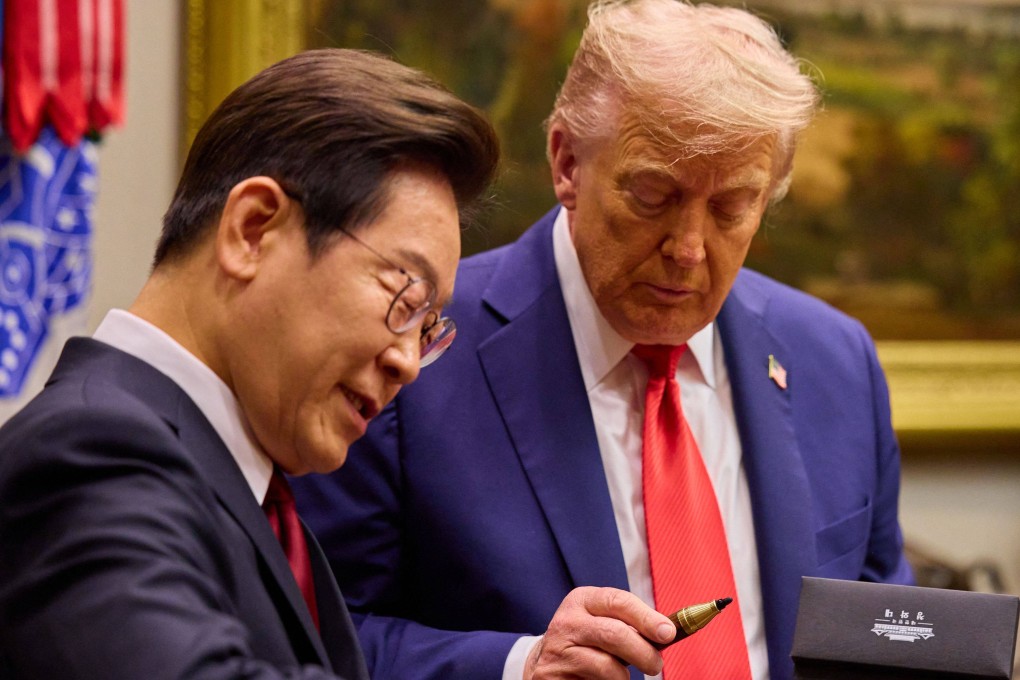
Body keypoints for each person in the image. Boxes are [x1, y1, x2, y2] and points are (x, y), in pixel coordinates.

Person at [295, 2, 915, 679]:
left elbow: (882, 632)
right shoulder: (409, 350)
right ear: (566, 162)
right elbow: (315, 637)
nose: (688, 249)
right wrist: (519, 666)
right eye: (652, 195)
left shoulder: (835, 360)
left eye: (731, 208)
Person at [0, 48, 499, 679]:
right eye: (404, 297)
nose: (408, 363)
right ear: (253, 229)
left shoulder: (260, 501)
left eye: (428, 328)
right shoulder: (85, 454)